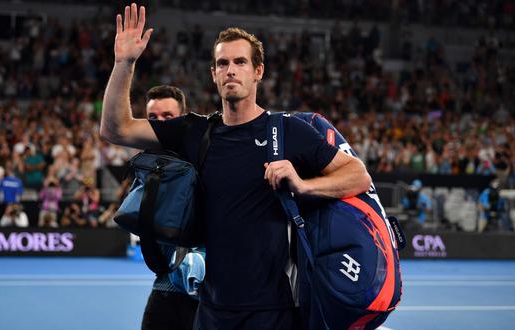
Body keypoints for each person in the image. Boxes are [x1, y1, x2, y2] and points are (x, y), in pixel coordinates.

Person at [100, 4, 370, 329]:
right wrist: (124, 63)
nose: (231, 70)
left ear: (258, 71)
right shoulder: (195, 132)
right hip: (212, 310)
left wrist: (303, 185)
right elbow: (116, 129)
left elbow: (358, 175)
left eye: (240, 62)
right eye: (222, 63)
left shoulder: (289, 131)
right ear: (213, 74)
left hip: (275, 312)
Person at [137, 85, 200, 330]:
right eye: (153, 117)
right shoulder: (149, 166)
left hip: (206, 295)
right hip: (165, 288)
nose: (160, 123)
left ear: (183, 117)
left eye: (168, 117)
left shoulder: (204, 156)